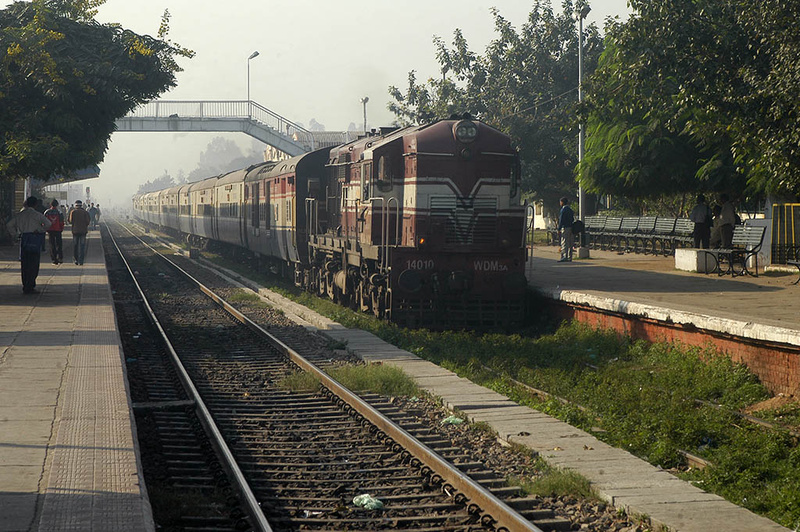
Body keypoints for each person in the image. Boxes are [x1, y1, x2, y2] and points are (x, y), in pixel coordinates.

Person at [6, 196, 52, 294]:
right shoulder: (38, 215)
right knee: (34, 264)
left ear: (26, 204)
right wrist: (40, 230)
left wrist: (16, 235)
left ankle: (25, 284)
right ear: (36, 204)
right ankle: (31, 285)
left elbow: (9, 225)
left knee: (25, 264)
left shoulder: (20, 215)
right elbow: (48, 224)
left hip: (24, 239)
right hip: (34, 239)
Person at [68, 200, 91, 265]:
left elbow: (70, 221)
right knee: (82, 246)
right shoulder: (85, 212)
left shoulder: (73, 212)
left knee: (75, 246)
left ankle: (76, 259)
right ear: (81, 205)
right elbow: (88, 221)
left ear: (75, 205)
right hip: (83, 231)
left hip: (75, 231)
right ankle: (81, 261)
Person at [44, 199, 65, 264]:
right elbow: (61, 221)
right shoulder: (59, 212)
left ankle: (54, 259)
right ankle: (60, 257)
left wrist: (45, 229)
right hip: (58, 229)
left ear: (51, 204)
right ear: (57, 205)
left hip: (50, 230)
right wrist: (61, 228)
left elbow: (44, 221)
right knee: (59, 244)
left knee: (52, 244)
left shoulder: (47, 212)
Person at [557, 196, 575, 262]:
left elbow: (561, 220)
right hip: (571, 227)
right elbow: (572, 219)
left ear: (562, 202)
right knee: (570, 243)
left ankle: (564, 256)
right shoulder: (570, 209)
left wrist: (559, 229)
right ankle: (570, 257)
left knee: (564, 242)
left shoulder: (563, 210)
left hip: (565, 227)